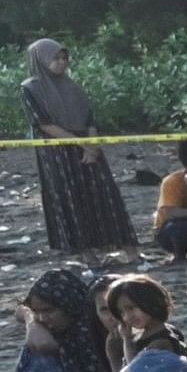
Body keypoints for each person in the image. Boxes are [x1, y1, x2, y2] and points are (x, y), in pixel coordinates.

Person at [19, 40, 130, 254]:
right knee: (72, 199)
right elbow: (44, 124)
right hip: (59, 153)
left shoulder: (73, 87)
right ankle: (86, 253)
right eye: (55, 58)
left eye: (64, 58)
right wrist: (82, 145)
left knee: (104, 195)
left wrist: (92, 146)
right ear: (41, 60)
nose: (61, 63)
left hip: (88, 148)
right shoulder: (30, 88)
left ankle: (127, 249)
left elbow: (90, 119)